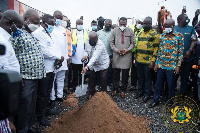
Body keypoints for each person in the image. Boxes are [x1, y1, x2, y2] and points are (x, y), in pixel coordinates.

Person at [10, 9, 47, 131]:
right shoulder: (17, 34)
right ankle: (22, 129)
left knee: (31, 105)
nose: (37, 25)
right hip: (26, 78)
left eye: (38, 22)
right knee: (24, 105)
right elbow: (11, 56)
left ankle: (28, 126)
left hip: (36, 76)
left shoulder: (31, 34)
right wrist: (17, 75)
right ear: (25, 20)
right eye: (35, 22)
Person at [32, 14, 64, 126]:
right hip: (44, 68)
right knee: (42, 93)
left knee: (48, 91)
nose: (53, 26)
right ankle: (40, 115)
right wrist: (58, 57)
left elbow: (56, 47)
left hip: (52, 68)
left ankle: (46, 109)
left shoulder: (50, 33)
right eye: (51, 24)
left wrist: (60, 56)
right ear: (44, 22)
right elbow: (44, 51)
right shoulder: (37, 34)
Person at [149, 19, 184, 108]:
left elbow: (180, 53)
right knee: (158, 84)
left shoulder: (179, 36)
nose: (166, 28)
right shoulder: (162, 36)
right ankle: (156, 100)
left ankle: (170, 102)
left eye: (168, 26)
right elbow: (159, 51)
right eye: (165, 26)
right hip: (161, 65)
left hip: (172, 66)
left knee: (171, 85)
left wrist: (178, 66)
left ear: (173, 26)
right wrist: (156, 64)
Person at [0, 10, 23, 133]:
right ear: (10, 24)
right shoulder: (1, 41)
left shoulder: (5, 38)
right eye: (18, 27)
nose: (19, 31)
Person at [135, 17, 160, 103]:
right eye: (144, 23)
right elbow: (136, 46)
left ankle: (147, 94)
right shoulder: (140, 33)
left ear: (150, 24)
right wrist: (135, 57)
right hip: (139, 60)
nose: (145, 25)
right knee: (140, 77)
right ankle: (140, 92)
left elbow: (156, 49)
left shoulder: (155, 34)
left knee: (148, 78)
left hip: (148, 61)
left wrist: (153, 61)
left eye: (147, 23)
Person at [110, 17, 135, 98]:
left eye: (124, 24)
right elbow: (111, 43)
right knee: (115, 74)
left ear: (126, 23)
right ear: (118, 23)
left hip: (126, 55)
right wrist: (117, 50)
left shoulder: (130, 31)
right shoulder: (114, 31)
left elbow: (133, 43)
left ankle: (123, 90)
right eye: (121, 24)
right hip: (116, 55)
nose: (122, 25)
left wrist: (127, 50)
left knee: (125, 75)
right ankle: (115, 89)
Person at [174, 14, 197, 95]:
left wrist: (189, 50)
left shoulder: (190, 28)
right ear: (179, 20)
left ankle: (182, 95)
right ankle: (172, 94)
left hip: (187, 59)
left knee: (185, 77)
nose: (187, 19)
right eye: (185, 18)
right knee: (174, 77)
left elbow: (194, 40)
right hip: (175, 59)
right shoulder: (175, 28)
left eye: (187, 18)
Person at [82, 32, 110, 99]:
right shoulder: (88, 41)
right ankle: (91, 93)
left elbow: (95, 57)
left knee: (103, 78)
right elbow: (86, 50)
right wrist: (85, 55)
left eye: (93, 41)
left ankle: (103, 94)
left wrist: (86, 67)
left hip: (102, 63)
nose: (91, 42)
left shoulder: (100, 45)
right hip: (93, 64)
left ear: (97, 39)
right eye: (90, 40)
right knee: (92, 78)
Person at [51, 10, 68, 102]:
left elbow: (65, 45)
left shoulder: (63, 30)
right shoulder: (50, 29)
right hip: (53, 59)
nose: (59, 19)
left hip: (63, 58)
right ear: (53, 17)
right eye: (57, 17)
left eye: (60, 18)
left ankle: (59, 96)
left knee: (61, 78)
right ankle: (52, 98)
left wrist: (67, 57)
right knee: (52, 80)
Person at [70, 19, 88, 92]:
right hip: (75, 57)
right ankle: (74, 87)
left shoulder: (86, 32)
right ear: (76, 24)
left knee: (82, 74)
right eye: (78, 23)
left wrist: (86, 55)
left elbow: (87, 44)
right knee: (74, 74)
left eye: (81, 23)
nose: (80, 25)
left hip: (83, 56)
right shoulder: (72, 32)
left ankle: (81, 87)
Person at [97, 19, 113, 91]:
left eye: (110, 25)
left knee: (109, 71)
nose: (108, 26)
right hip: (99, 55)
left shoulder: (113, 33)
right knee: (99, 70)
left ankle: (107, 85)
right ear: (104, 24)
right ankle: (99, 84)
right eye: (107, 24)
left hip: (109, 55)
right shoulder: (99, 33)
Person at [130, 19, 144, 90]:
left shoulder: (143, 30)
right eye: (139, 22)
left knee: (137, 69)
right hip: (130, 52)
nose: (140, 24)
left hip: (138, 53)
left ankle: (139, 86)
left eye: (141, 23)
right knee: (132, 69)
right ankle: (133, 84)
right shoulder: (131, 27)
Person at [61, 18, 72, 93]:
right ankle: (57, 90)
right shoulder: (56, 30)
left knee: (66, 73)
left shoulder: (68, 31)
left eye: (66, 21)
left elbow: (70, 44)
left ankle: (65, 87)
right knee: (58, 75)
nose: (64, 22)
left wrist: (69, 55)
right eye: (63, 20)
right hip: (59, 56)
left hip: (67, 56)